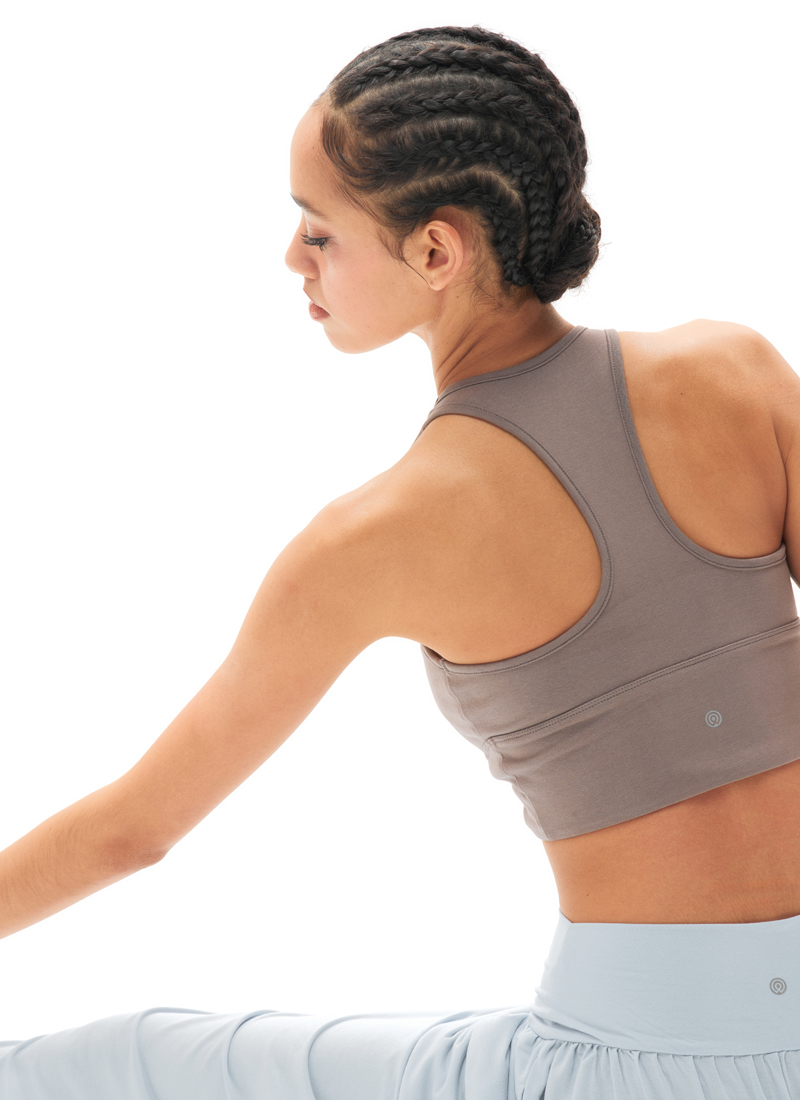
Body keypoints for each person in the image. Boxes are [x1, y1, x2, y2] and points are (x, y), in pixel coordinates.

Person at [2, 21, 800, 1099]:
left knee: (123, 1061)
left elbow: (134, 832)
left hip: (623, 1066)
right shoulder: (736, 373)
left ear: (435, 252)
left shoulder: (373, 534)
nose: (293, 259)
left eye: (317, 232)